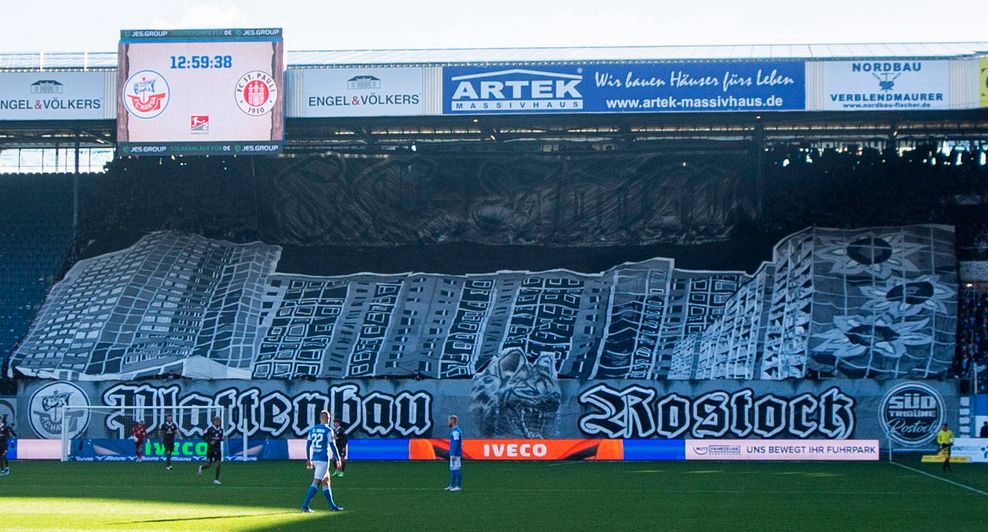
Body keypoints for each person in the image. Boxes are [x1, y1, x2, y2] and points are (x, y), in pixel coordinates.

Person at [301, 410, 343, 512]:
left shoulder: (312, 430)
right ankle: (304, 506)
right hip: (323, 459)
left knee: (326, 481)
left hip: (315, 458)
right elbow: (333, 445)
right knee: (316, 482)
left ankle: (332, 506)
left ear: (320, 418)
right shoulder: (328, 430)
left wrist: (308, 459)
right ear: (328, 419)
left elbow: (308, 445)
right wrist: (338, 459)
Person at [197, 416, 224, 485]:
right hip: (210, 449)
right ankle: (201, 467)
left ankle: (216, 479)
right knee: (208, 464)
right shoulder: (209, 429)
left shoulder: (221, 430)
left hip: (218, 449)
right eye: (216, 420)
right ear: (213, 422)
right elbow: (203, 437)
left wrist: (221, 438)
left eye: (218, 420)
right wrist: (210, 442)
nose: (217, 421)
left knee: (218, 463)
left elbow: (220, 438)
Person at [445, 415, 463, 492]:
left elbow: (456, 443)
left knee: (456, 469)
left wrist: (454, 454)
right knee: (452, 469)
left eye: (449, 420)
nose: (448, 422)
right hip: (453, 452)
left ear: (452, 421)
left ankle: (458, 486)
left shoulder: (456, 431)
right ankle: (451, 485)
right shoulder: (455, 430)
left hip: (455, 453)